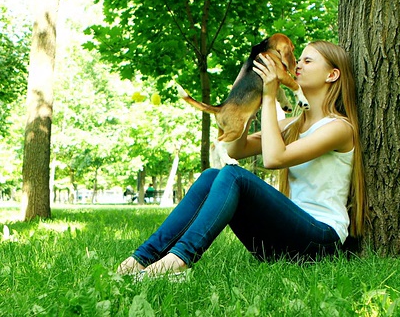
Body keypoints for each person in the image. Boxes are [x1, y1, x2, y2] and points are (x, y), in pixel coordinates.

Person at [116, 41, 365, 277]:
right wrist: (254, 92)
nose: (297, 65)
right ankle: (139, 260)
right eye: (297, 59)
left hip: (321, 241)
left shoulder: (339, 128)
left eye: (308, 61)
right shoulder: (290, 126)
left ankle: (177, 261)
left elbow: (274, 158)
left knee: (234, 175)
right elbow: (236, 149)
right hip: (283, 240)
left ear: (331, 75)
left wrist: (270, 97)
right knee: (212, 175)